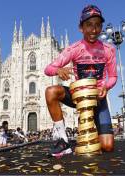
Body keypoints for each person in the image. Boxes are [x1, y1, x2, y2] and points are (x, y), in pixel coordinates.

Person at [44, 4, 117, 156]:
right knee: (51, 92)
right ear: (81, 28)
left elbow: (114, 77)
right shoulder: (74, 49)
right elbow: (48, 69)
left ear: (101, 27)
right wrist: (58, 70)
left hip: (98, 98)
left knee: (107, 147)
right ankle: (63, 141)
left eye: (98, 25)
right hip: (79, 98)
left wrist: (106, 87)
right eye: (89, 25)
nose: (94, 29)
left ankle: (93, 128)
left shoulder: (109, 50)